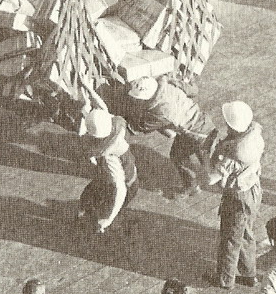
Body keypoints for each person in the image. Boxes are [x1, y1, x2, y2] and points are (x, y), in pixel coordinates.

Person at [120, 76, 215, 199]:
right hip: (203, 120)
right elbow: (193, 90)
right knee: (205, 157)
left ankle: (192, 184)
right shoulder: (169, 84)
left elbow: (140, 127)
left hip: (194, 134)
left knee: (178, 157)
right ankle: (208, 173)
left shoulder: (160, 111)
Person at [205, 101, 264, 289]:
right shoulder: (255, 136)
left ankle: (225, 280)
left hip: (237, 199)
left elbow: (211, 178)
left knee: (230, 239)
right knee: (246, 234)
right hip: (253, 190)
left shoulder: (233, 154)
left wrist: (208, 152)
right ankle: (249, 274)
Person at [77, 106, 138, 234]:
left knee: (104, 210)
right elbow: (102, 110)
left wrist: (107, 219)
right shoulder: (117, 126)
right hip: (124, 175)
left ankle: (98, 228)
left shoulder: (108, 157)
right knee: (88, 196)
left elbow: (120, 189)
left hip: (122, 185)